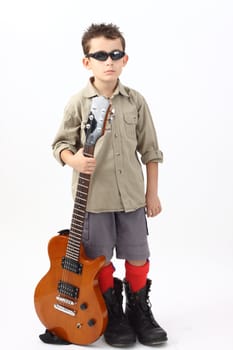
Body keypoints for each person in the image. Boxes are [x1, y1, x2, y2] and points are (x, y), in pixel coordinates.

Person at [51, 23, 168, 347]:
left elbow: (151, 150)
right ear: (87, 61)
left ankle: (139, 309)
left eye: (115, 54)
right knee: (99, 258)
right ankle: (112, 311)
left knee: (138, 255)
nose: (109, 61)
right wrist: (72, 159)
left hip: (131, 197)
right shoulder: (78, 102)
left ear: (125, 59)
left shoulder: (135, 101)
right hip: (93, 201)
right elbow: (59, 143)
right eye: (100, 55)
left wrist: (151, 193)